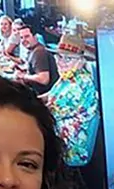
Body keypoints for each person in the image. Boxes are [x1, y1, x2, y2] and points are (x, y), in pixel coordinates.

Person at [41, 31, 100, 167]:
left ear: (81, 61)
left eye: (68, 58)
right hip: (58, 140)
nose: (61, 62)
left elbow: (46, 115)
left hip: (70, 153)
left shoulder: (78, 85)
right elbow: (52, 94)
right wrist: (35, 97)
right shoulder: (69, 76)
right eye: (59, 57)